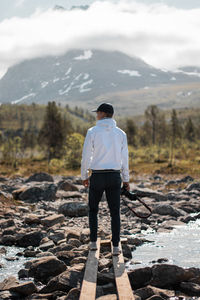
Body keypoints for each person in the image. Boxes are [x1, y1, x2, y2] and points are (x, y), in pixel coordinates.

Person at [81, 103, 130, 255]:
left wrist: (84, 175)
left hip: (97, 176)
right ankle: (116, 246)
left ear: (102, 113)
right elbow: (125, 158)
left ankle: (93, 243)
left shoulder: (92, 131)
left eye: (98, 113)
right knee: (115, 212)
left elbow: (86, 155)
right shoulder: (121, 133)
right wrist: (126, 179)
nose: (96, 115)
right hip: (115, 176)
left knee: (93, 210)